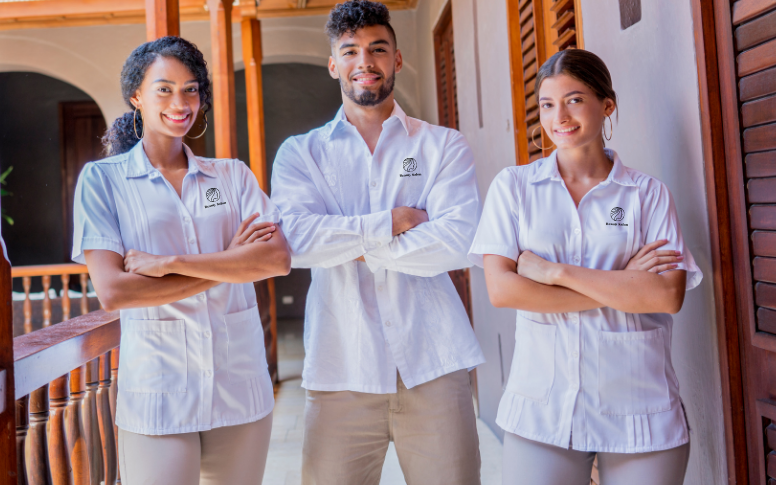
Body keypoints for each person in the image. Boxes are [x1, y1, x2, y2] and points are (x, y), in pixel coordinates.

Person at [270, 1, 484, 483]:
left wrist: (351, 240)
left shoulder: (442, 146)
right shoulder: (300, 154)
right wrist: (397, 221)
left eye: (377, 49)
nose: (364, 61)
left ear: (397, 60)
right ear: (333, 65)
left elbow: (459, 241)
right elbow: (298, 242)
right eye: (350, 51)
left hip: (435, 363)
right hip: (340, 366)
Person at [468, 49, 701, 485]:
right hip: (542, 409)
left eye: (575, 100)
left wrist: (554, 273)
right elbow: (503, 290)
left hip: (639, 407)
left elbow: (667, 296)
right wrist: (622, 284)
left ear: (606, 105)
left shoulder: (646, 195)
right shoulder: (515, 188)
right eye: (548, 104)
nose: (561, 117)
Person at [71, 36, 291, 485]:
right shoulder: (104, 181)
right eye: (164, 89)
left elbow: (276, 259)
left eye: (191, 89)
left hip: (239, 385)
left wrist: (170, 262)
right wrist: (231, 261)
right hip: (159, 392)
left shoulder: (231, 175)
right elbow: (114, 291)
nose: (180, 102)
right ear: (137, 96)